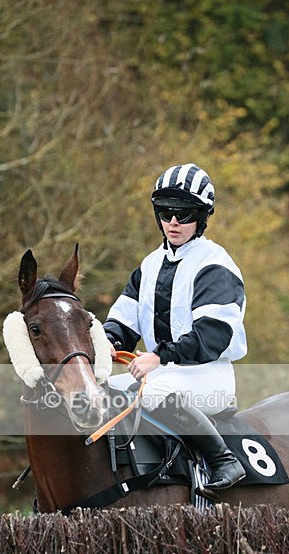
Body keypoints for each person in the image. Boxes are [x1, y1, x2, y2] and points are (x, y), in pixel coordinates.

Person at [104, 163, 247, 496]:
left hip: (207, 372)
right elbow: (124, 320)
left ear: (200, 217)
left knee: (153, 393)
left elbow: (211, 336)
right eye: (166, 212)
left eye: (183, 215)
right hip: (161, 372)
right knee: (104, 392)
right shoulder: (150, 264)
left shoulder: (216, 265)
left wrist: (158, 357)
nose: (173, 222)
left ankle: (225, 461)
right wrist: (108, 340)